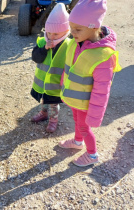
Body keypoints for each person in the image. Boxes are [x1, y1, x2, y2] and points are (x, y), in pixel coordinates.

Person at [58, 0, 122, 167]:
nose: (72, 33)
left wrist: (95, 115)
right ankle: (78, 142)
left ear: (94, 27)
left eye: (78, 29)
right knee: (76, 121)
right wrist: (63, 84)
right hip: (75, 99)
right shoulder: (76, 42)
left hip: (86, 104)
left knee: (85, 127)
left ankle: (92, 155)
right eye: (71, 27)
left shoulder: (103, 56)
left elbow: (102, 90)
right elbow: (69, 68)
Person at [31, 3, 71, 133]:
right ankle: (43, 113)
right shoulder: (43, 42)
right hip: (43, 81)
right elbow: (36, 57)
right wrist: (44, 48)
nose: (51, 37)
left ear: (65, 32)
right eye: (49, 33)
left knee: (54, 104)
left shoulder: (68, 45)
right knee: (44, 99)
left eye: (56, 34)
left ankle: (53, 120)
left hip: (56, 83)